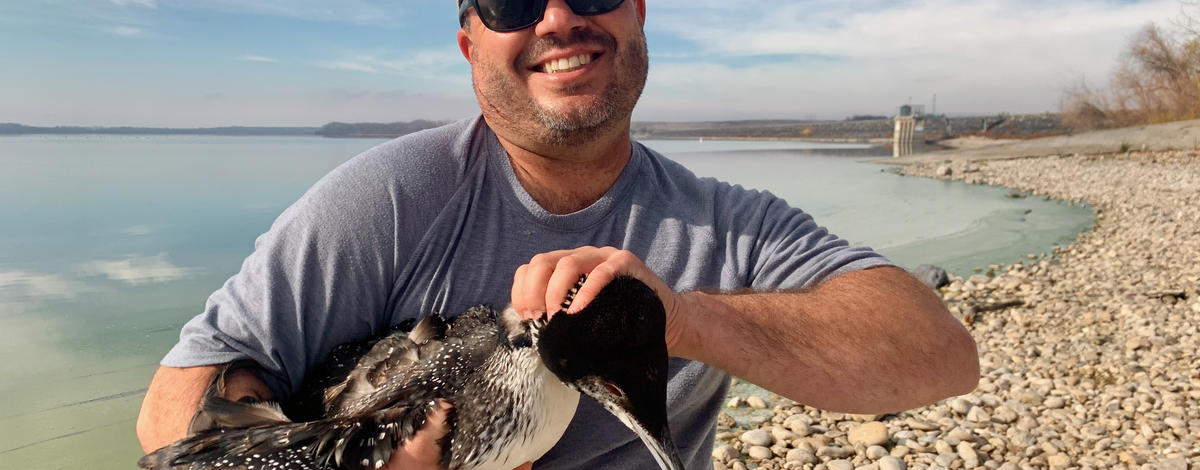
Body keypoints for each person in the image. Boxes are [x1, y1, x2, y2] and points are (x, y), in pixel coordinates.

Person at [136, 0, 979, 468]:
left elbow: (940, 354)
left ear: (639, 15)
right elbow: (177, 411)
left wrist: (675, 318)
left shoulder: (724, 222)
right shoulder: (390, 199)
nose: (558, 16)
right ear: (471, 45)